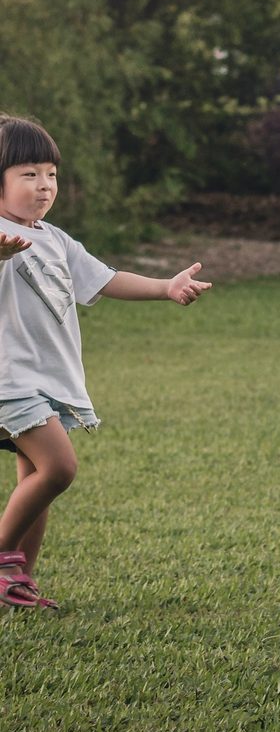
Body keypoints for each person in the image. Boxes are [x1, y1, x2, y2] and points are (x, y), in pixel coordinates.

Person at [0, 114, 211, 610]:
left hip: (49, 377)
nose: (44, 185)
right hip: (9, 378)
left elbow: (104, 278)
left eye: (50, 173)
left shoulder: (54, 237)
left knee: (36, 479)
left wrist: (165, 287)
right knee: (59, 468)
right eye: (28, 174)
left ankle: (17, 583)